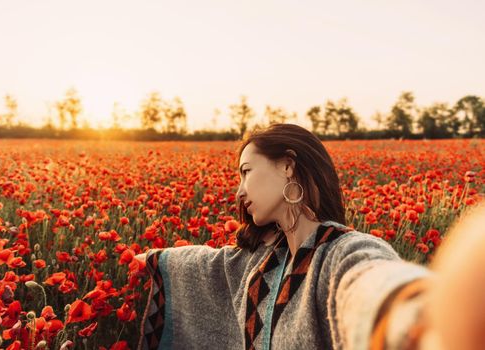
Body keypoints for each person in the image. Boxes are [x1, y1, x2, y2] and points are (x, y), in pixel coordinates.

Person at [135, 123, 485, 350]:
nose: (239, 192)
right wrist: (148, 260)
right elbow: (204, 265)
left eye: (246, 172)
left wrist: (421, 321)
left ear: (288, 165)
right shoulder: (259, 262)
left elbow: (368, 283)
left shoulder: (340, 254)